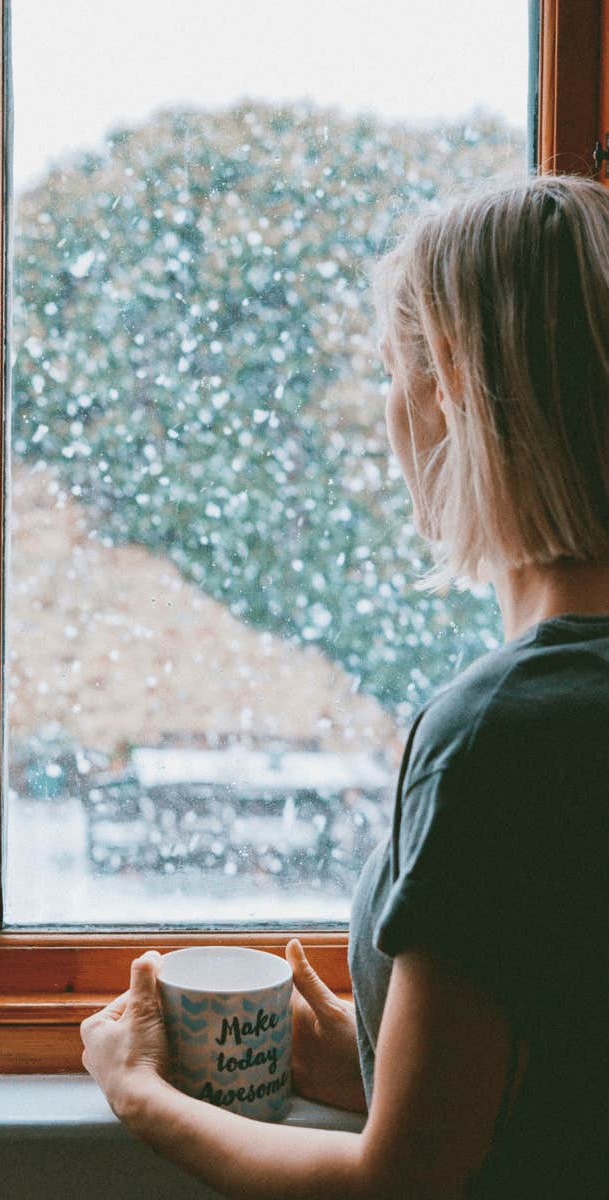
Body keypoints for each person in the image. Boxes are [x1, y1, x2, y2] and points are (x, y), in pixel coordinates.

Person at [80, 174, 609, 1199]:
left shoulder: (499, 732)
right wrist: (377, 1051)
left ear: (451, 384)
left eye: (388, 371)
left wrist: (141, 1093)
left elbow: (398, 1186)